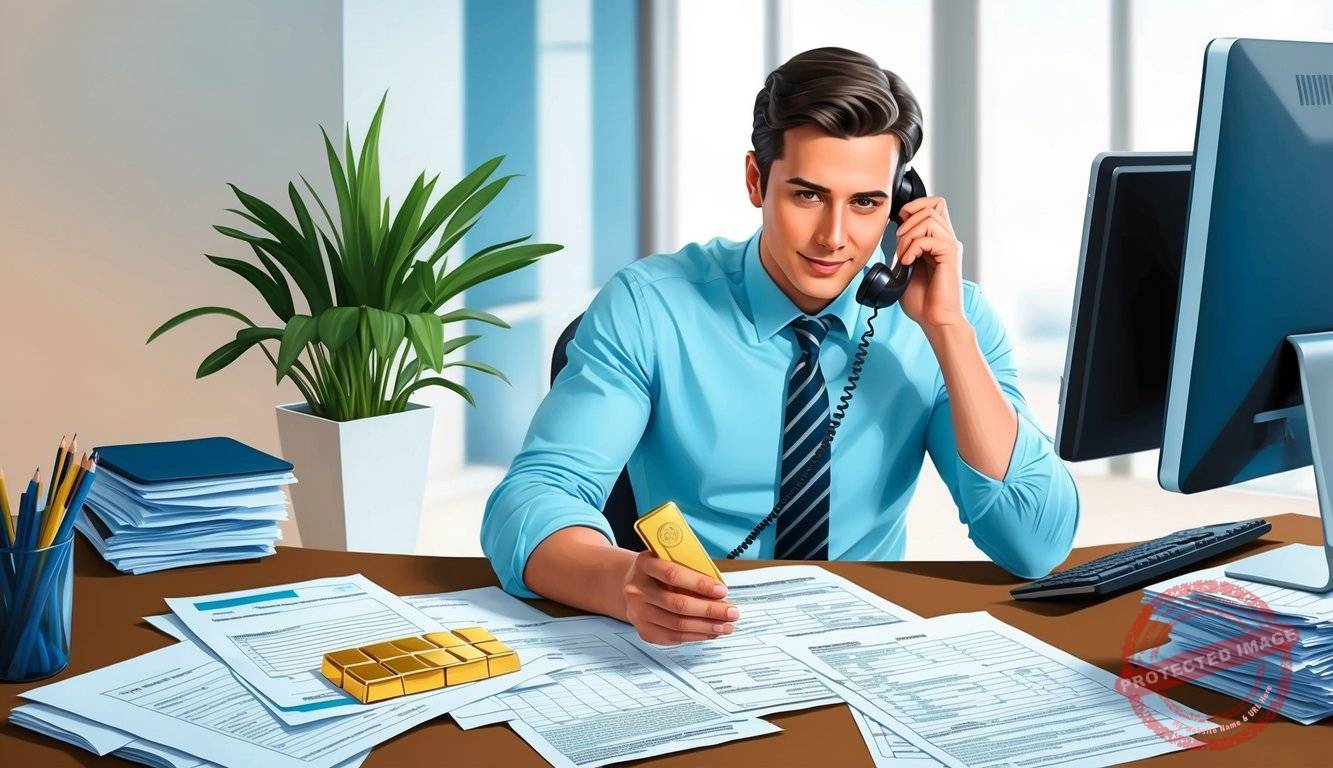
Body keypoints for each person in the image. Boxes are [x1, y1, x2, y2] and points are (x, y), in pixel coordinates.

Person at [481, 47, 1079, 645]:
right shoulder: (650, 305)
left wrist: (948, 331)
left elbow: (1035, 545)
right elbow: (531, 499)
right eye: (807, 195)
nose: (834, 238)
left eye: (866, 202)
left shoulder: (953, 318)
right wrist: (623, 583)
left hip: (865, 640)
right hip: (697, 639)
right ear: (755, 180)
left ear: (901, 205)